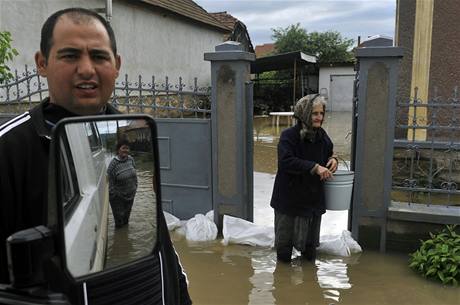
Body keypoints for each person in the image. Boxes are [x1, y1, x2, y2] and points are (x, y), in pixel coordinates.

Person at [0, 7, 192, 304]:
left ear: (116, 65)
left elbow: (162, 246)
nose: (87, 69)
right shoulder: (9, 151)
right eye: (70, 55)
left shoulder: (128, 129)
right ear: (41, 63)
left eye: (99, 57)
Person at [270, 94, 338, 263]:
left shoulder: (322, 136)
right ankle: (283, 283)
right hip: (289, 199)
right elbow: (286, 161)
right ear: (304, 114)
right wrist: (314, 167)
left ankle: (310, 282)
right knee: (284, 249)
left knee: (310, 250)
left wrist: (333, 159)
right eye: (315, 114)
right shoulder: (289, 136)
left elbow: (330, 151)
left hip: (312, 200)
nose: (319, 117)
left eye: (321, 113)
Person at [107, 139, 138, 228]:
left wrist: (135, 187)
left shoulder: (131, 159)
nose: (126, 150)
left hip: (130, 195)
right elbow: (109, 182)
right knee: (119, 222)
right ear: (118, 150)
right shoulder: (113, 164)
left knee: (126, 219)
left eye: (127, 148)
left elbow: (134, 174)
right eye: (123, 148)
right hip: (118, 199)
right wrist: (114, 196)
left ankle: (125, 236)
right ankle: (119, 238)